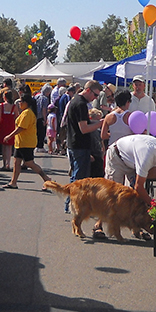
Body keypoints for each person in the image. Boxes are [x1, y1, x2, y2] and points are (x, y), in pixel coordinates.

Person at [64, 81, 104, 213]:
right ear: (88, 90)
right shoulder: (80, 104)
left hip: (74, 144)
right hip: (79, 145)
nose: (95, 98)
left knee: (76, 177)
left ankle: (70, 205)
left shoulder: (75, 100)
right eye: (95, 94)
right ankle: (72, 206)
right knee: (79, 179)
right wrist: (100, 124)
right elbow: (84, 128)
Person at [2, 94, 52, 190]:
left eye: (21, 102)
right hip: (20, 142)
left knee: (29, 163)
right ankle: (13, 182)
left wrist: (9, 136)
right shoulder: (25, 112)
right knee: (16, 162)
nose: (19, 103)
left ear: (26, 103)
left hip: (26, 142)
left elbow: (21, 127)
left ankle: (47, 179)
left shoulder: (27, 113)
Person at [0, 89, 18, 170]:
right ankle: (8, 163)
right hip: (11, 126)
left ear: (4, 97)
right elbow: (16, 118)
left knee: (3, 146)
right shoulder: (14, 107)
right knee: (9, 146)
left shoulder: (1, 106)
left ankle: (4, 164)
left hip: (2, 126)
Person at [35, 84, 52, 151]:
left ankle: (37, 146)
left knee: (37, 132)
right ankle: (40, 146)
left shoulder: (36, 96)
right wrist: (45, 119)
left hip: (36, 117)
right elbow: (44, 109)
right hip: (41, 117)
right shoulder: (45, 98)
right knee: (42, 132)